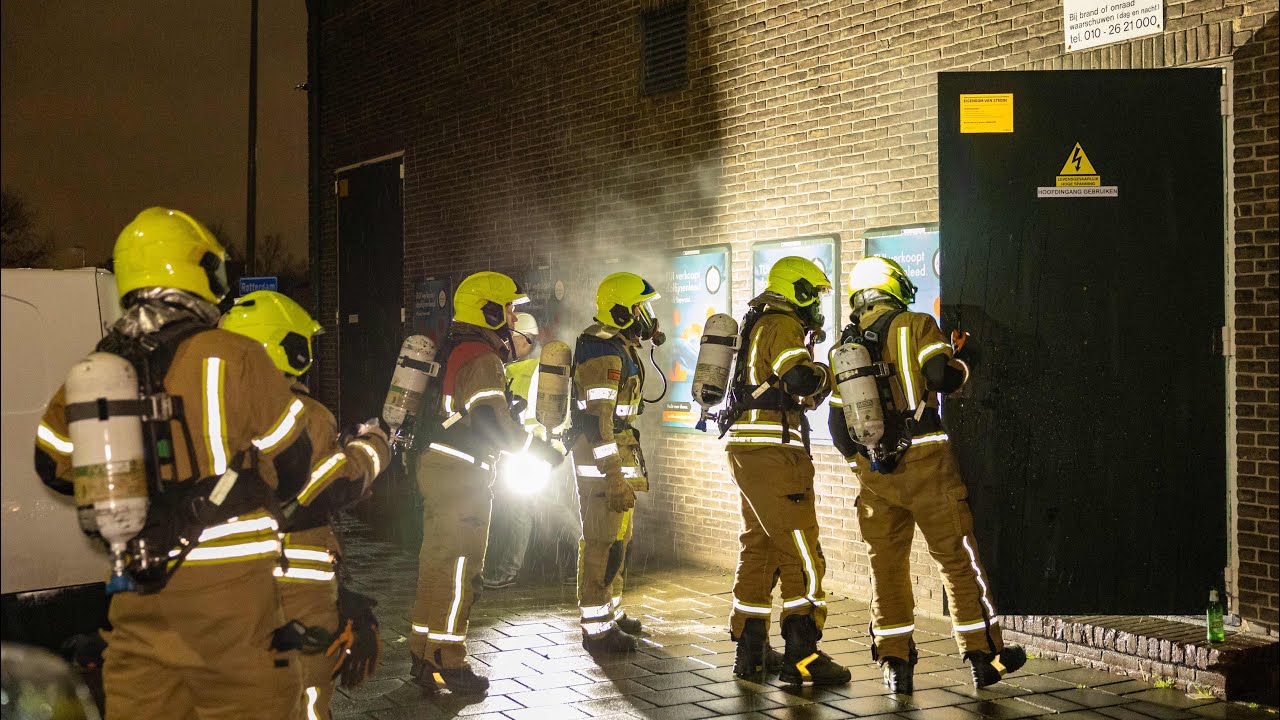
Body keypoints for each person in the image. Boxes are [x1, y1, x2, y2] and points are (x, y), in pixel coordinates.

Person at [33, 207, 341, 718]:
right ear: (197, 272)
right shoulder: (234, 354)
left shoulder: (98, 367)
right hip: (232, 604)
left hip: (137, 596)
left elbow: (53, 463)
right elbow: (294, 463)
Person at [828, 256, 1026, 693]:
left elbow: (838, 430)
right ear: (893, 287)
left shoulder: (846, 349)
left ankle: (895, 665)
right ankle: (983, 657)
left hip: (875, 476)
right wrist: (966, 357)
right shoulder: (916, 325)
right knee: (958, 561)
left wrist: (865, 466)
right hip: (927, 465)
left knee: (887, 570)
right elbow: (941, 376)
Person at [220, 290, 390, 720]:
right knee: (305, 690)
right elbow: (337, 486)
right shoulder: (303, 413)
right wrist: (374, 446)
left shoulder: (208, 411)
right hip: (294, 580)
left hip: (221, 584)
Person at [405, 272, 563, 694]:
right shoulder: (482, 356)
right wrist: (540, 451)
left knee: (436, 565)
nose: (514, 318)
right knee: (461, 570)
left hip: (438, 467)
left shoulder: (456, 345)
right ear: (489, 310)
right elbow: (492, 425)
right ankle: (448, 662)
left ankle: (423, 654)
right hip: (462, 475)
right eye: (509, 309)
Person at [721, 256, 850, 686]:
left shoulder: (756, 321)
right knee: (802, 552)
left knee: (759, 548)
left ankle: (751, 652)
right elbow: (798, 378)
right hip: (776, 456)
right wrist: (827, 375)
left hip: (748, 451)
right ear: (797, 290)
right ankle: (803, 656)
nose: (817, 304)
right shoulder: (782, 325)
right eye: (814, 293)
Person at [569, 272, 664, 655]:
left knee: (619, 539)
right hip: (602, 459)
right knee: (602, 542)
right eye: (642, 308)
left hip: (618, 452)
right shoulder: (604, 352)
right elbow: (597, 421)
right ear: (623, 310)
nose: (648, 316)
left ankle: (610, 610)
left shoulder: (620, 347)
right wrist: (612, 475)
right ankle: (596, 629)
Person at [482, 311, 541, 589]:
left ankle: (508, 570)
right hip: (520, 449)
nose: (506, 342)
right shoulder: (514, 366)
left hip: (528, 450)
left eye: (511, 337)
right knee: (533, 509)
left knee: (521, 510)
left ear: (524, 339)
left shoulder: (533, 369)